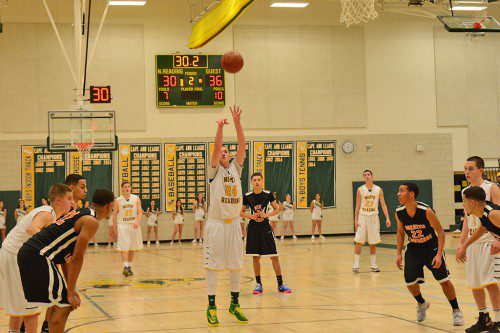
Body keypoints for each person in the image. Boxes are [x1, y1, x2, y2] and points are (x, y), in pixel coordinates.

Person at [18, 189, 114, 333]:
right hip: (38, 255)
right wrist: (69, 292)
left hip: (33, 253)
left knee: (58, 303)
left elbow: (67, 258)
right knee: (65, 303)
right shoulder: (91, 221)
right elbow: (77, 258)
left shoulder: (82, 212)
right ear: (109, 205)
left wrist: (71, 288)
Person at [0, 184, 73, 333]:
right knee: (30, 307)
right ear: (59, 200)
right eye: (69, 198)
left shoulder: (48, 213)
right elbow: (31, 229)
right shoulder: (48, 213)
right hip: (16, 256)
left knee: (19, 306)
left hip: (10, 253)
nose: (72, 202)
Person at [395, 182, 464, 326]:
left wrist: (439, 254)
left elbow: (440, 232)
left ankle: (456, 310)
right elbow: (400, 232)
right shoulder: (399, 212)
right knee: (409, 282)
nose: (398, 194)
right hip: (413, 248)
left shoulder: (426, 210)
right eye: (398, 191)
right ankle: (422, 303)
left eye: (401, 191)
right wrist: (398, 253)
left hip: (431, 248)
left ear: (411, 194)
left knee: (444, 280)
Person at [204, 105, 248, 326]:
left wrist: (237, 121)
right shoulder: (214, 170)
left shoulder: (235, 169)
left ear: (230, 156)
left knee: (236, 265)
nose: (223, 152)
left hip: (234, 225)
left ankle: (234, 304)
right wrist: (220, 128)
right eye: (221, 151)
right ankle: (211, 307)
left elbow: (242, 144)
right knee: (213, 266)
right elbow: (216, 146)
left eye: (226, 151)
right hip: (216, 224)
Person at [456, 156, 500, 333]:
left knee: (490, 282)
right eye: (465, 168)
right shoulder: (466, 191)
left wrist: (497, 238)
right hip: (474, 241)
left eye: (471, 168)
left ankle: (498, 319)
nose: (467, 172)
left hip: (489, 241)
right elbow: (468, 220)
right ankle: (484, 317)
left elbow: (495, 217)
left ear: (481, 170)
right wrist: (462, 242)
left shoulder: (491, 188)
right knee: (475, 283)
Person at [242, 172, 292, 295]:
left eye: (259, 179)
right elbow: (241, 212)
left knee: (274, 256)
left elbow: (277, 209)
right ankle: (258, 284)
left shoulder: (268, 194)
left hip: (265, 227)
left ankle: (280, 284)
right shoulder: (247, 196)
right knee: (255, 257)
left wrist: (266, 215)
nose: (257, 182)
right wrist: (251, 216)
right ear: (252, 182)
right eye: (255, 180)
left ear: (262, 181)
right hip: (253, 228)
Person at [353, 170, 391, 273]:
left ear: (372, 176)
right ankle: (356, 265)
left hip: (374, 217)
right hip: (362, 216)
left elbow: (383, 204)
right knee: (359, 241)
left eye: (368, 175)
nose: (367, 176)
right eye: (365, 175)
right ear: (363, 177)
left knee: (373, 242)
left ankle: (373, 265)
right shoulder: (360, 190)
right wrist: (356, 220)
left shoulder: (378, 189)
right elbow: (357, 206)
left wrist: (387, 218)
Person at [114, 181, 143, 277]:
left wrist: (137, 222)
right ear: (122, 189)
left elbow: (140, 212)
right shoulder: (118, 200)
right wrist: (115, 228)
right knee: (124, 247)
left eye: (128, 186)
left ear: (130, 188)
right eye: (125, 187)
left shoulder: (136, 199)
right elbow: (114, 215)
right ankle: (125, 266)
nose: (127, 188)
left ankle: (129, 266)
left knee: (132, 247)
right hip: (122, 225)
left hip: (133, 225)